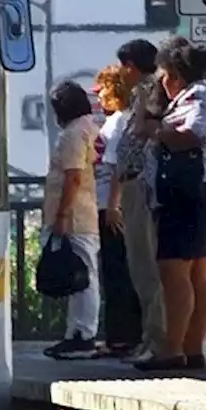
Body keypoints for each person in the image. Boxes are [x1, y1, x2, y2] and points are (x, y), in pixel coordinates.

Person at [136, 39, 206, 371]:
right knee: (200, 272)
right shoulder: (200, 96)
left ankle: (173, 348)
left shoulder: (198, 97)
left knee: (175, 273)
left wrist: (157, 131)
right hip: (196, 193)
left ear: (175, 74)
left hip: (186, 193)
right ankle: (192, 347)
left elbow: (194, 134)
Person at [110, 39, 166, 363]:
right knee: (142, 266)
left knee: (147, 267)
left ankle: (156, 339)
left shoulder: (148, 91)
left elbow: (149, 131)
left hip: (142, 185)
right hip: (136, 183)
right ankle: (150, 336)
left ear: (131, 65)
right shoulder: (142, 93)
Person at [40, 80, 101, 361]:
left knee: (81, 277)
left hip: (74, 216)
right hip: (84, 212)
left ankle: (83, 335)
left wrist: (62, 215)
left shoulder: (74, 133)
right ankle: (75, 333)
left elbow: (73, 176)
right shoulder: (90, 127)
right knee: (82, 275)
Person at [93, 64, 141, 355]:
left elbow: (116, 167)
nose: (99, 98)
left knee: (117, 271)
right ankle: (120, 333)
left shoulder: (120, 122)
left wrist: (113, 205)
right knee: (114, 269)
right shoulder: (117, 121)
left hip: (109, 204)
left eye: (103, 91)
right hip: (102, 201)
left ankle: (122, 336)